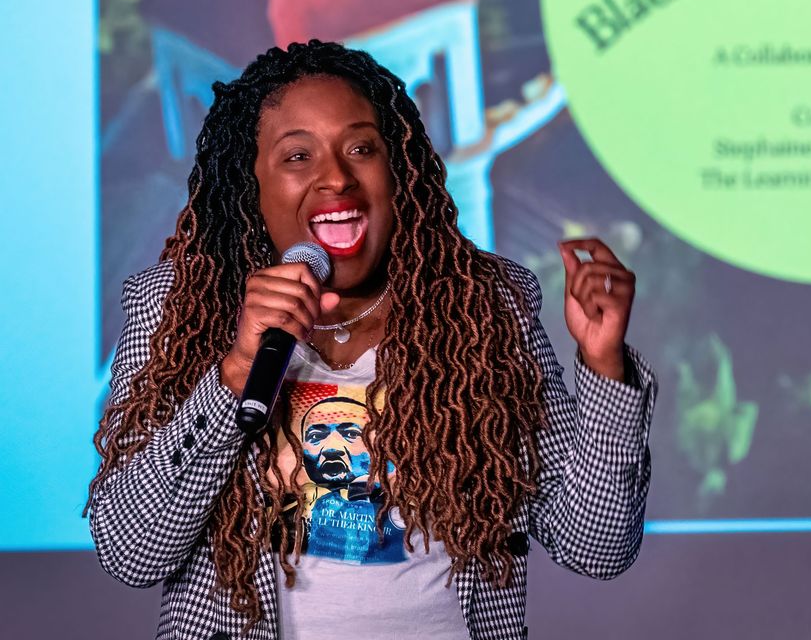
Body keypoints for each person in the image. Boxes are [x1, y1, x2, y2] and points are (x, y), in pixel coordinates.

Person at [87, 39, 657, 640]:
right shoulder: (176, 307)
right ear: (248, 183)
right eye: (297, 156)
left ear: (400, 170)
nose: (335, 176)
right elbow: (132, 554)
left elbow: (596, 546)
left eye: (361, 148)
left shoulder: (485, 305)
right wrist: (234, 374)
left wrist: (603, 365)